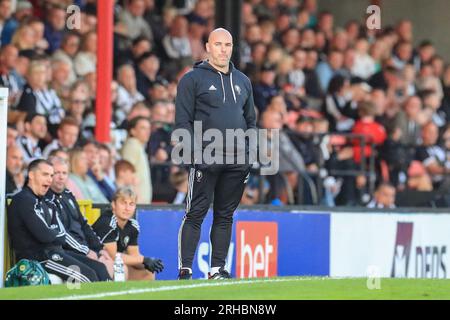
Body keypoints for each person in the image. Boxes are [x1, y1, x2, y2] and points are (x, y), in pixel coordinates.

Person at [175, 28, 256, 279]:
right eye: (218, 44)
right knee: (195, 213)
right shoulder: (192, 79)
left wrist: (248, 155)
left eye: (228, 44)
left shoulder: (243, 81)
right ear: (208, 47)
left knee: (225, 215)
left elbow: (251, 121)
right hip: (205, 158)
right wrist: (194, 156)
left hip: (236, 161)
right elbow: (182, 121)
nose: (223, 49)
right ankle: (186, 269)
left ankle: (217, 269)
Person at [7, 159, 110, 283]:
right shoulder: (25, 200)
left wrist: (54, 234)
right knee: (88, 276)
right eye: (45, 174)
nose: (49, 179)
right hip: (38, 258)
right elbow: (45, 235)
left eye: (51, 175)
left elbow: (60, 233)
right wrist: (55, 234)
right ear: (31, 175)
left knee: (100, 268)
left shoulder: (46, 201)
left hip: (55, 252)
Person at [46, 156, 114, 279]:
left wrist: (99, 248)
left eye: (64, 173)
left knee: (109, 263)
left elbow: (84, 224)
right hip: (68, 251)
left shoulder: (68, 195)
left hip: (83, 248)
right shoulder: (47, 199)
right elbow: (62, 234)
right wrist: (86, 251)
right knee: (100, 269)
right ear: (49, 174)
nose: (61, 177)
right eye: (57, 173)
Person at [92, 187, 164, 281]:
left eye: (131, 204)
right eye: (123, 203)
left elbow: (134, 256)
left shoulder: (132, 225)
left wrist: (150, 262)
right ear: (113, 204)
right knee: (121, 268)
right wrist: (144, 260)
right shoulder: (108, 222)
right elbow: (112, 256)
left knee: (148, 271)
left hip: (114, 265)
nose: (127, 208)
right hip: (94, 263)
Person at [121, 116, 153, 204]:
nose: (147, 132)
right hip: (135, 202)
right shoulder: (132, 145)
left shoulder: (138, 145)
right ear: (133, 131)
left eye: (149, 128)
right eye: (143, 128)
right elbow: (126, 174)